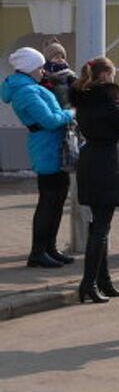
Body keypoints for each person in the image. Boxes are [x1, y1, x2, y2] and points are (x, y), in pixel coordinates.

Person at [71, 57, 119, 303]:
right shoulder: (107, 101)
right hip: (106, 163)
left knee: (98, 225)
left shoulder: (83, 100)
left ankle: (103, 280)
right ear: (104, 75)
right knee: (101, 227)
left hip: (90, 159)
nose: (114, 78)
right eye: (112, 73)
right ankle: (88, 283)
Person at [2, 47, 75, 267]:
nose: (43, 71)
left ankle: (49, 248)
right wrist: (72, 113)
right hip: (46, 148)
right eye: (40, 67)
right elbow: (50, 120)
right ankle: (38, 252)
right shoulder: (27, 92)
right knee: (48, 202)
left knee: (56, 201)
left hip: (51, 146)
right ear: (29, 68)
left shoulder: (29, 87)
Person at [40, 40, 76, 109]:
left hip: (68, 111)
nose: (60, 59)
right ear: (49, 60)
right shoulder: (44, 76)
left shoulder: (70, 75)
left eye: (62, 57)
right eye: (57, 57)